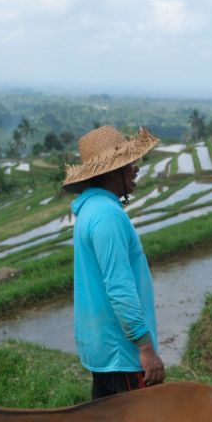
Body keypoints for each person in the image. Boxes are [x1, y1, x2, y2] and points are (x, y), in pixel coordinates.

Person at [64, 125, 166, 400]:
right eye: (130, 164)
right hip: (124, 354)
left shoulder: (90, 209)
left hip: (105, 349)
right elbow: (119, 287)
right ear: (112, 172)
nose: (136, 169)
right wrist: (145, 348)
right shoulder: (108, 215)